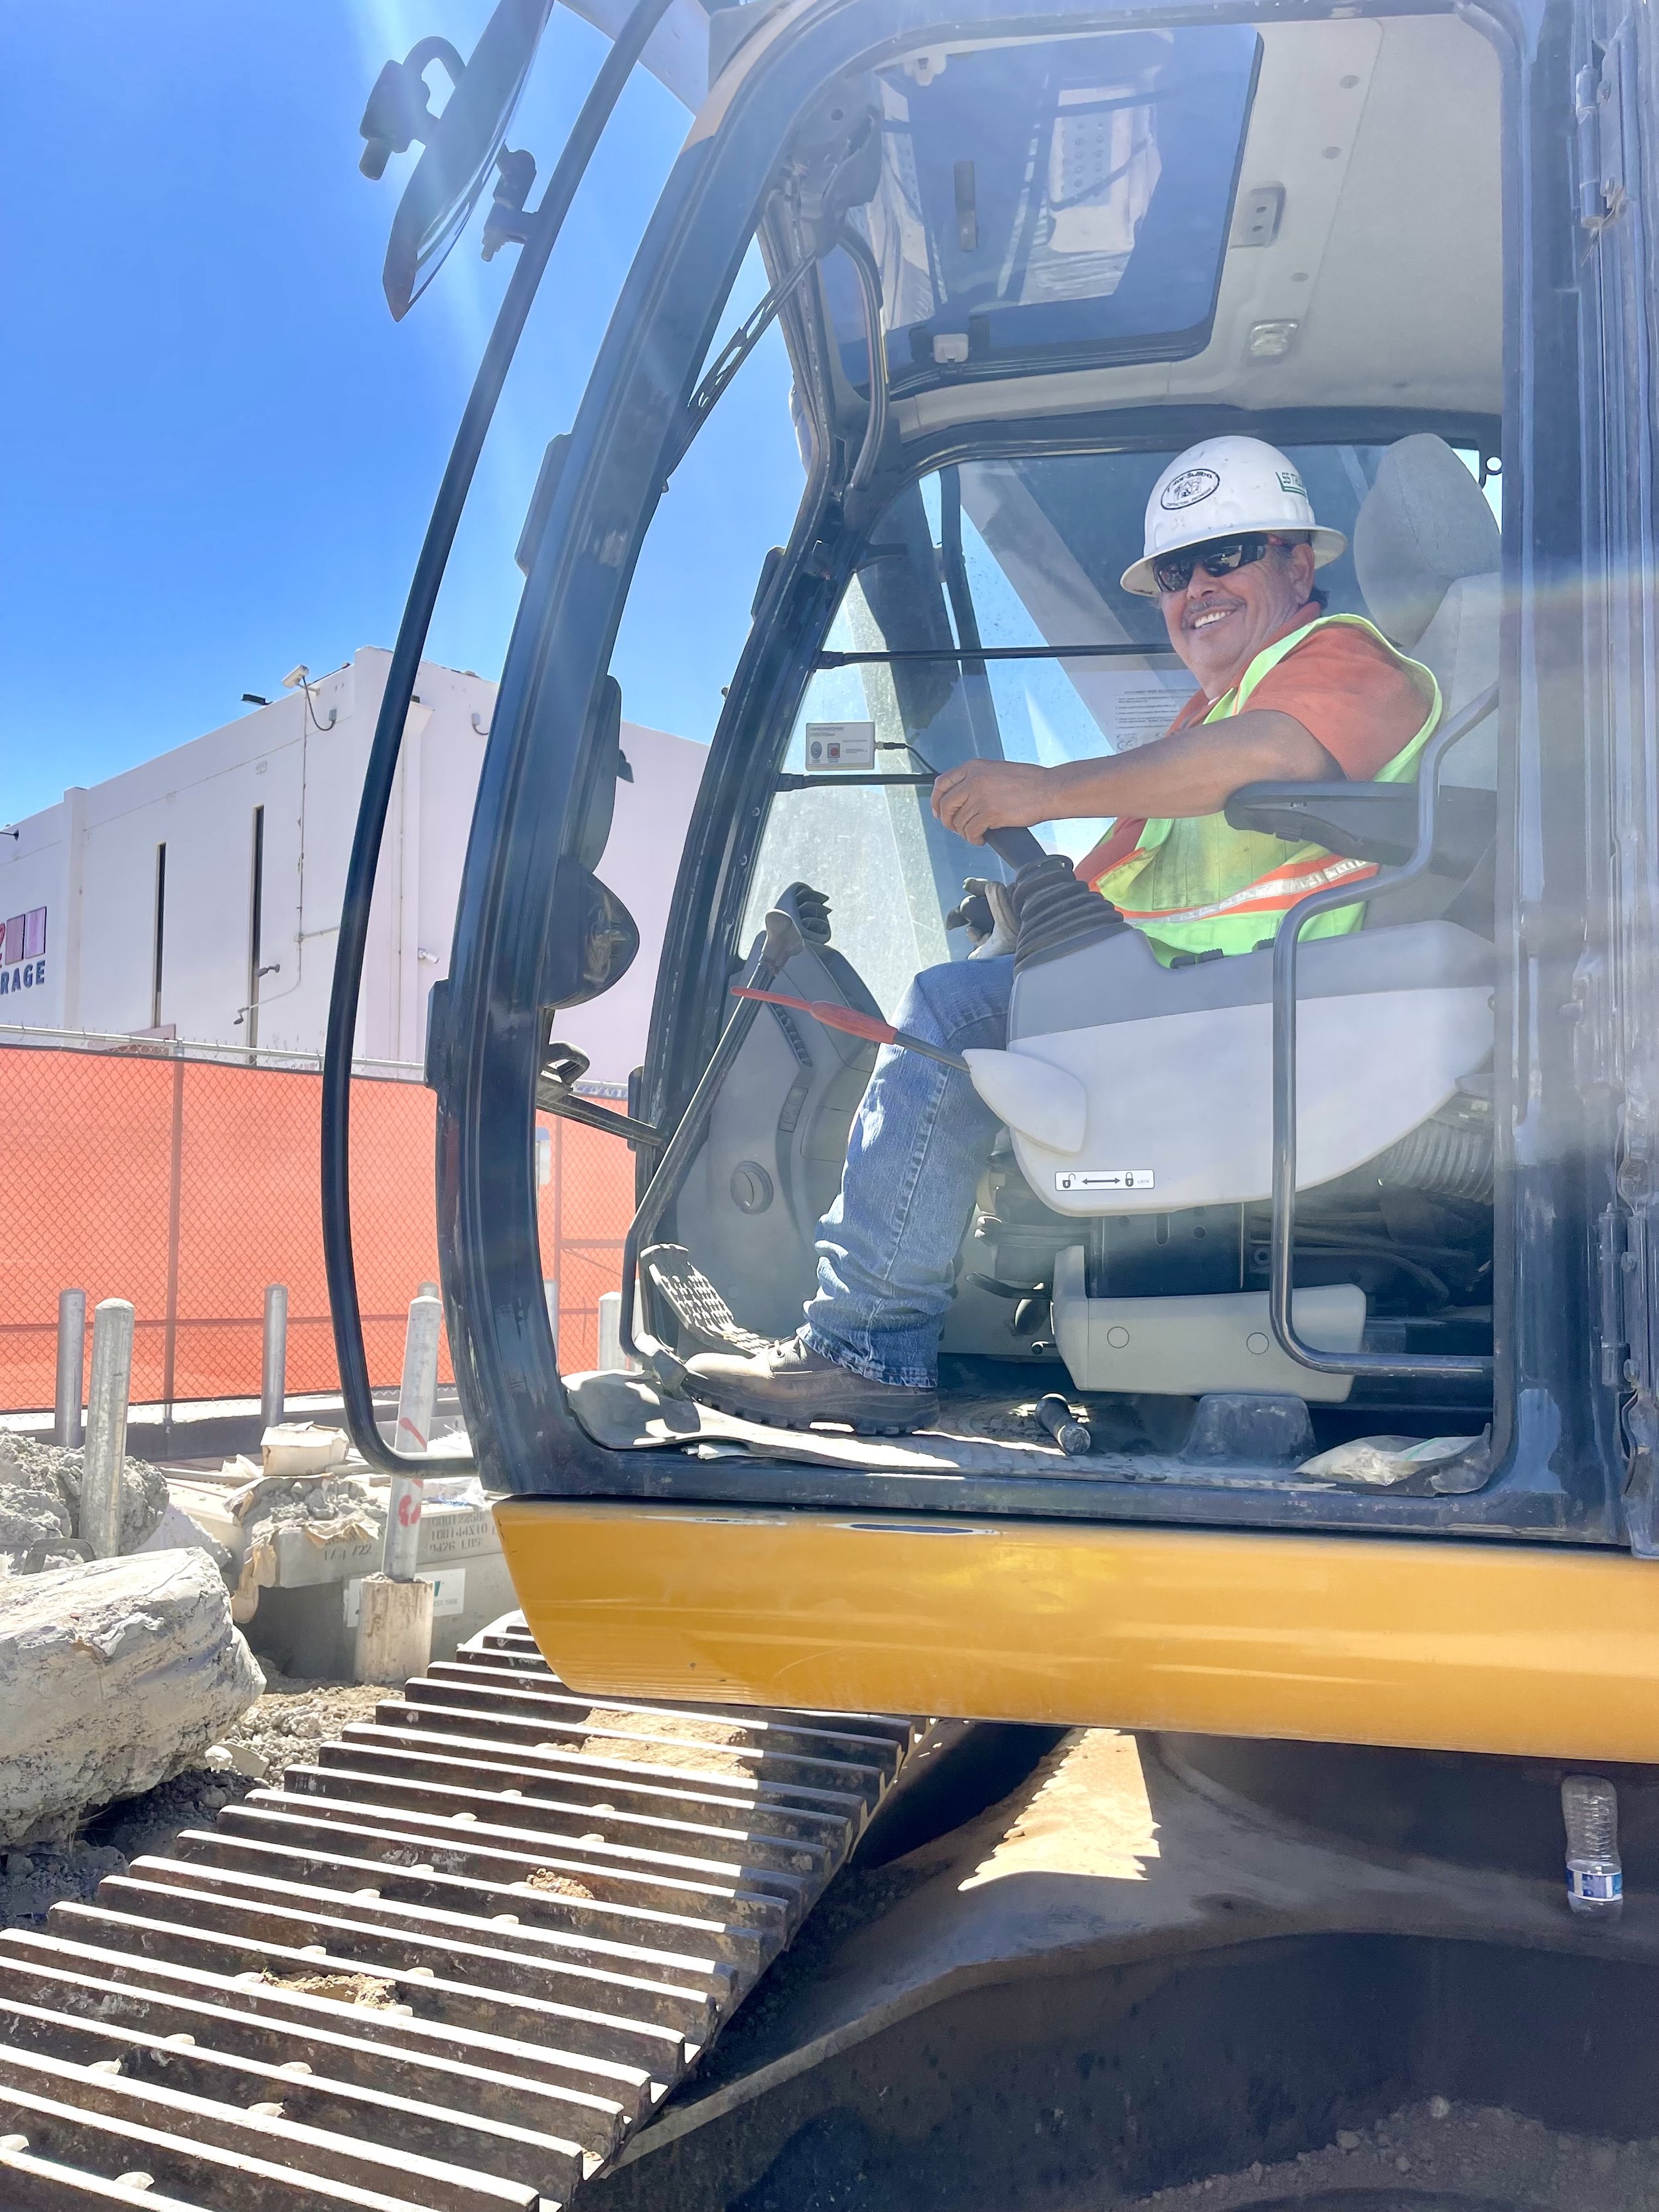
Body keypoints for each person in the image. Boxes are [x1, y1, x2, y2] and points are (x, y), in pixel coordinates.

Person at [684, 435, 1441, 1434]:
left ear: (1298, 564)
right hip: (1207, 999)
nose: (1196, 588)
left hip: (1259, 1004)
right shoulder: (1208, 716)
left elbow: (1274, 755)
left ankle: (867, 1344)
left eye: (1226, 556)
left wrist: (1043, 790)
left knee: (952, 1014)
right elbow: (1126, 868)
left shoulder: (1347, 659)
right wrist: (1030, 915)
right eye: (1175, 572)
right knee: (976, 987)